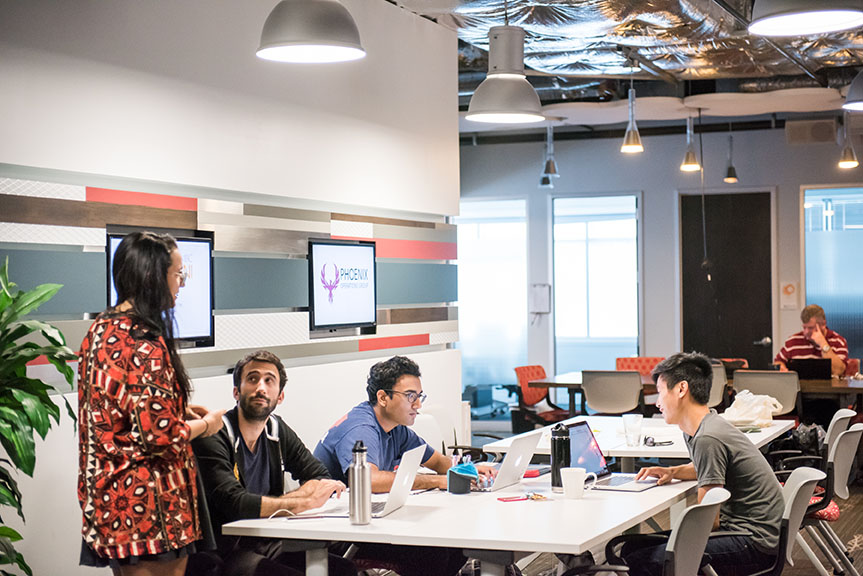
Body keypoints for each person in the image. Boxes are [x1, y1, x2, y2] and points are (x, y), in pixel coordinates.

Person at [78, 231, 226, 576]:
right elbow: (160, 438)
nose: (181, 284)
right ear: (152, 276)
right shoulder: (146, 342)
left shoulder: (100, 330)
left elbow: (117, 409)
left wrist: (175, 408)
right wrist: (207, 425)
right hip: (152, 507)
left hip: (108, 502)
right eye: (178, 274)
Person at [314, 355, 497, 576]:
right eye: (411, 396)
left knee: (455, 541)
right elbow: (369, 480)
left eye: (419, 396)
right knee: (434, 551)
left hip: (372, 521)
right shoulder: (361, 428)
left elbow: (438, 462)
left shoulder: (396, 428)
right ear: (383, 397)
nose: (418, 405)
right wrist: (439, 481)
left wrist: (466, 469)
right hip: (339, 532)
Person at [192, 350, 355, 576]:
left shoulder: (276, 429)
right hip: (226, 553)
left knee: (345, 570)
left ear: (280, 396)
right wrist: (303, 502)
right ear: (236, 392)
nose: (261, 387)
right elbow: (235, 503)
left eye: (269, 380)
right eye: (252, 379)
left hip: (270, 543)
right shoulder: (215, 434)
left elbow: (319, 475)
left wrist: (295, 500)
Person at [623, 352, 783, 576]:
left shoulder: (707, 438)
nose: (657, 402)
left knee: (645, 561)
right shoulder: (708, 424)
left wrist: (677, 539)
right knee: (632, 547)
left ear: (681, 389)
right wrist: (673, 471)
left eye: (660, 392)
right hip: (758, 534)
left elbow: (707, 523)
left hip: (754, 544)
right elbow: (711, 469)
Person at [775, 304, 848, 377]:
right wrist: (782, 368)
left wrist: (823, 344)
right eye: (804, 327)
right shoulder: (793, 341)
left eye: (810, 328)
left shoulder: (838, 341)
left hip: (828, 387)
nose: (806, 332)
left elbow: (838, 371)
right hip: (799, 387)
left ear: (823, 324)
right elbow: (778, 362)